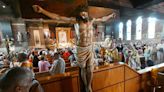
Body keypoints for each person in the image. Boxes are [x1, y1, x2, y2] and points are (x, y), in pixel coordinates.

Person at [33, 5, 115, 92]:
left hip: (90, 47)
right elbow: (58, 17)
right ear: (79, 15)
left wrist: (110, 16)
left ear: (87, 13)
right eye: (81, 14)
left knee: (90, 68)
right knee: (83, 68)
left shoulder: (92, 20)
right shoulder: (76, 21)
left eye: (84, 14)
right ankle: (86, 86)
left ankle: (88, 86)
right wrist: (42, 11)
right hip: (81, 48)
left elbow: (102, 19)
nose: (83, 16)